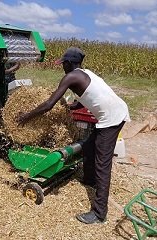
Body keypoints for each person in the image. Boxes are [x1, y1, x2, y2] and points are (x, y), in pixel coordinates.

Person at [17, 47, 130, 224]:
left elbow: (48, 105)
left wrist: (26, 117)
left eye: (63, 64)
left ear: (69, 63)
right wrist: (67, 108)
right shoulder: (84, 73)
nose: (62, 67)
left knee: (103, 164)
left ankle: (99, 214)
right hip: (113, 112)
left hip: (112, 119)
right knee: (88, 147)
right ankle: (90, 179)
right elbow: (80, 102)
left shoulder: (70, 77)